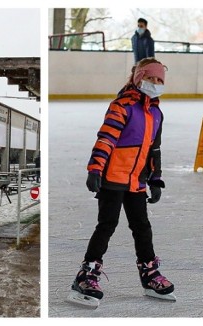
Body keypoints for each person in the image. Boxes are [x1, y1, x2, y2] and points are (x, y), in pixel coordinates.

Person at [70, 58, 174, 304]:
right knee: (107, 224)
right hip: (113, 177)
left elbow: (154, 150)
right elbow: (106, 138)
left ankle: (149, 273)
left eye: (160, 80)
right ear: (139, 78)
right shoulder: (122, 106)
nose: (155, 83)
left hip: (136, 181)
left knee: (142, 227)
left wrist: (155, 179)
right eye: (151, 78)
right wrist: (95, 169)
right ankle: (86, 274)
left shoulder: (156, 113)